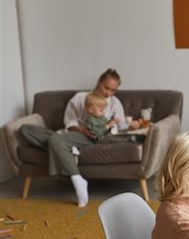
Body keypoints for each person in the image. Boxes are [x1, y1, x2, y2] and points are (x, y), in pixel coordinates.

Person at [19, 68, 140, 207]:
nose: (108, 93)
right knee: (25, 130)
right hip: (74, 133)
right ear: (99, 82)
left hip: (93, 137)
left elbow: (119, 124)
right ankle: (67, 149)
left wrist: (131, 125)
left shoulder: (114, 103)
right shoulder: (79, 98)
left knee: (55, 140)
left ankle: (77, 179)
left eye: (113, 90)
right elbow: (68, 121)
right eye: (107, 87)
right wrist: (81, 129)